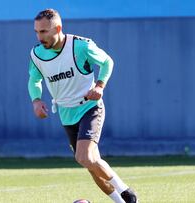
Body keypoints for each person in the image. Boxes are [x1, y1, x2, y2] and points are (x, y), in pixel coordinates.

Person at [28, 8, 138, 203]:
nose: (39, 36)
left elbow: (107, 62)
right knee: (91, 165)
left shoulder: (80, 46)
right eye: (36, 31)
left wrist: (100, 86)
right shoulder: (36, 54)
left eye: (44, 31)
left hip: (89, 107)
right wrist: (36, 100)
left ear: (58, 28)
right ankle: (121, 202)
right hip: (66, 113)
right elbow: (34, 79)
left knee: (84, 157)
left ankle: (127, 193)